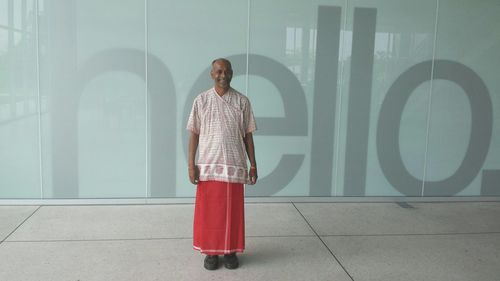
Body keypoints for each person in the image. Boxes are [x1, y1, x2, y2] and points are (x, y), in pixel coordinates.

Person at [186, 58, 258, 270]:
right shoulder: (201, 101)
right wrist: (191, 165)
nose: (223, 75)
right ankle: (210, 253)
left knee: (232, 214)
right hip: (208, 166)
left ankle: (230, 252)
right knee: (210, 214)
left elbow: (248, 136)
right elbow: (194, 135)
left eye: (227, 71)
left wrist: (253, 164)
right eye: (218, 71)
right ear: (211, 74)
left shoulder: (242, 102)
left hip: (235, 166)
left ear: (232, 73)